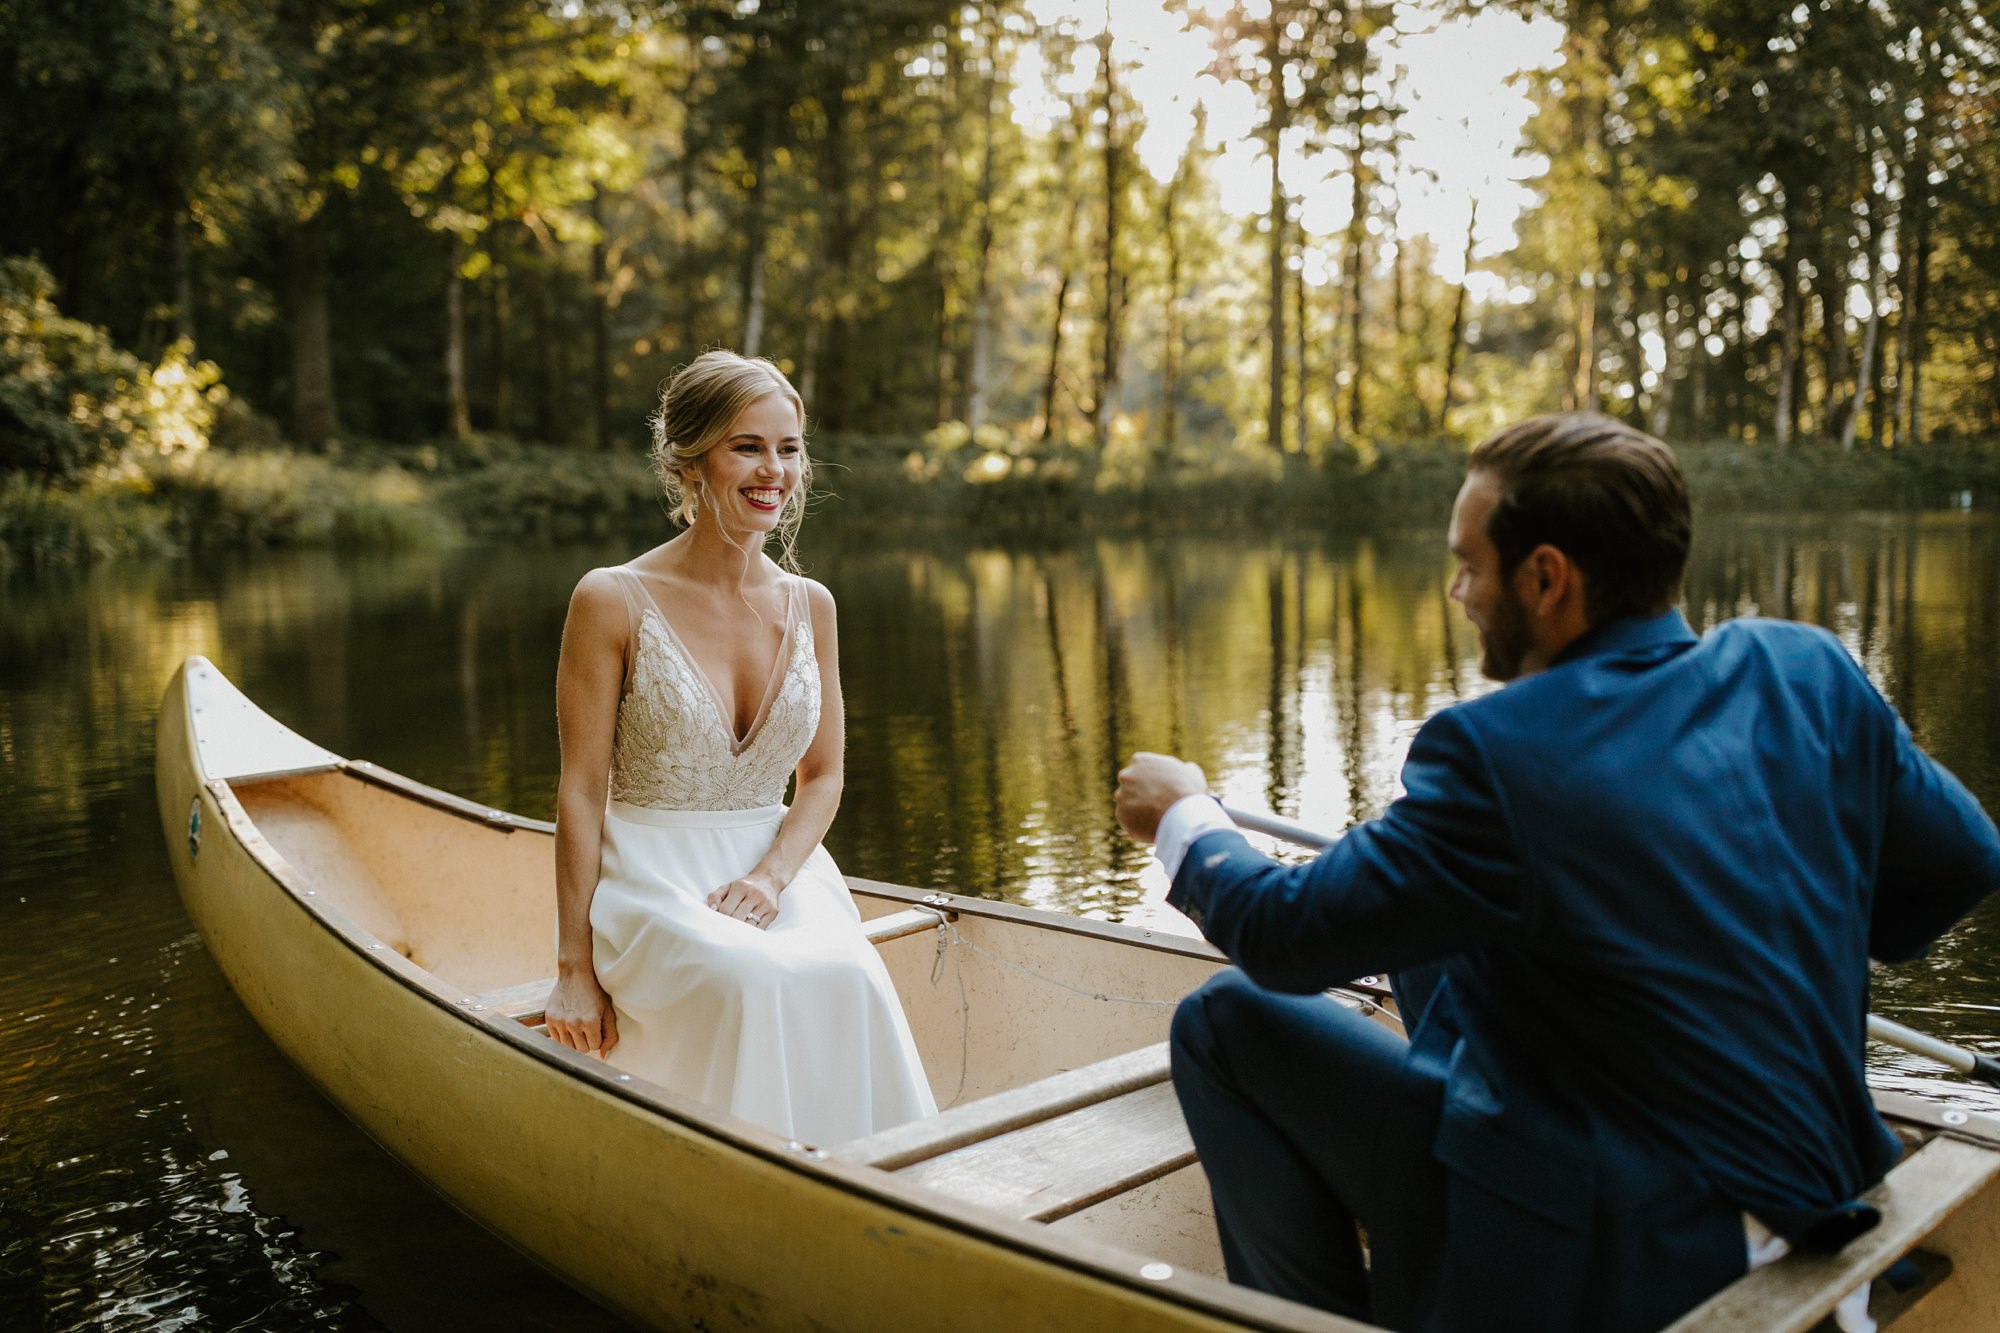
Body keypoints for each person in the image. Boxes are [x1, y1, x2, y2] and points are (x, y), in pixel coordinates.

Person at [1114, 412, 2000, 1333]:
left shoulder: (1501, 753)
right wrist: (1817, 919)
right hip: (1818, 1202)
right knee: (1442, 949)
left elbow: (1282, 934)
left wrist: (1185, 815)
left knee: (1222, 1020)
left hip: (1620, 1266)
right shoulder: (1806, 670)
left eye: (1467, 562)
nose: (1457, 589)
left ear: (1547, 577)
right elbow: (1966, 861)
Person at [542, 350, 936, 1145]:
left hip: (778, 871)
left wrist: (770, 874)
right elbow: (581, 792)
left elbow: (822, 776)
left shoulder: (811, 604)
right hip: (651, 879)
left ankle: (886, 1186)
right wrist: (574, 970)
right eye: (746, 446)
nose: (774, 471)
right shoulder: (611, 598)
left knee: (855, 973)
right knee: (749, 980)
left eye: (788, 448)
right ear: (689, 462)